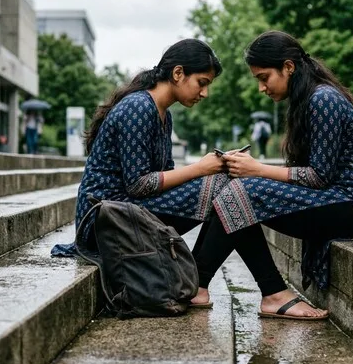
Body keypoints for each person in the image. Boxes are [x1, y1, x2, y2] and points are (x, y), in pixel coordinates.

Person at [190, 30, 353, 320]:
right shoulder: (306, 100)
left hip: (352, 208)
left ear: (288, 67)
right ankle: (200, 285)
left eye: (264, 78)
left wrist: (258, 169)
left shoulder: (323, 100)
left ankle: (214, 286)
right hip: (332, 199)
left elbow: (319, 177)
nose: (261, 88)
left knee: (244, 192)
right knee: (235, 190)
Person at [51, 39, 228, 271]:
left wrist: (212, 169)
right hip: (104, 220)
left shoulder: (164, 114)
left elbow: (163, 178)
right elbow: (138, 184)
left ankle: (197, 276)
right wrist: (201, 168)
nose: (205, 93)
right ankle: (200, 278)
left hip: (129, 209)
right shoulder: (138, 107)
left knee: (229, 188)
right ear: (178, 73)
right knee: (224, 188)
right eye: (202, 83)